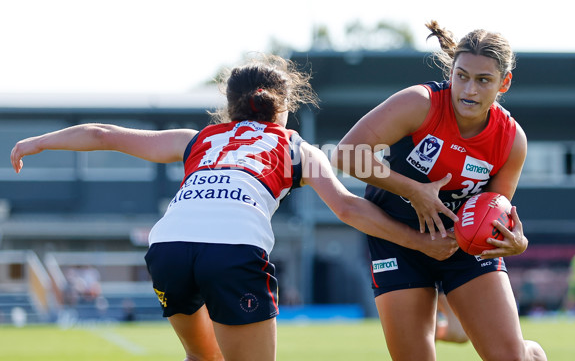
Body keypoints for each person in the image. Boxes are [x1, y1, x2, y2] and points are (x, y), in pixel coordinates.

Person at [11, 54, 453, 361]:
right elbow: (350, 210)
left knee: (203, 357)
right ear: (283, 110)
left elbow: (104, 134)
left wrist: (38, 142)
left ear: (228, 105)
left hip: (167, 249)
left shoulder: (196, 139)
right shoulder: (297, 146)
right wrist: (421, 243)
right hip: (233, 250)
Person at [331, 21, 547, 360]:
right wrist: (414, 190)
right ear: (451, 72)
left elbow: (495, 210)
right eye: (461, 76)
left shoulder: (511, 139)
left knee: (512, 358)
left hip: (462, 245)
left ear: (504, 83)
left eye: (483, 80)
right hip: (397, 239)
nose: (469, 90)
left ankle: (530, 353)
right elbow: (345, 154)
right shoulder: (420, 103)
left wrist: (516, 242)